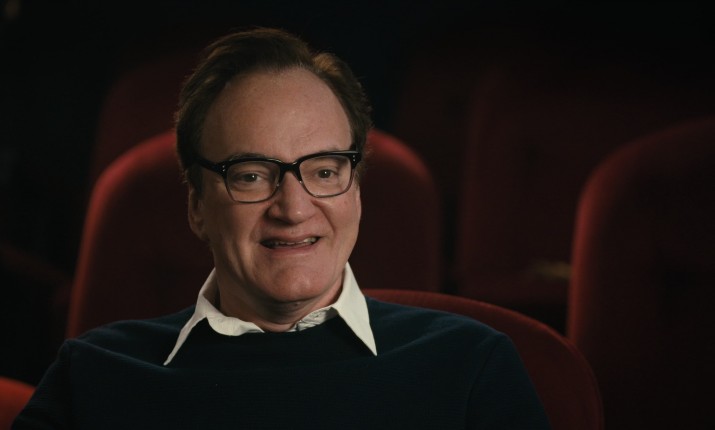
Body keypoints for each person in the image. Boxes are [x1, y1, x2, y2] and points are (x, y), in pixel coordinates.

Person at [14, 28, 550, 429]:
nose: (293, 208)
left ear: (356, 192)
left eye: (324, 172)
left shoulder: (469, 367)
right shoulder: (93, 377)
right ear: (197, 207)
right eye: (251, 175)